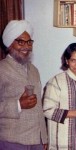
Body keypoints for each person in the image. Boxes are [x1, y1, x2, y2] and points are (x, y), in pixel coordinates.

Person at [0, 20, 47, 150]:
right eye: (20, 42)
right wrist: (18, 105)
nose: (26, 46)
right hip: (12, 141)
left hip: (36, 141)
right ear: (10, 44)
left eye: (29, 42)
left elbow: (39, 107)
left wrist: (44, 137)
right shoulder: (2, 69)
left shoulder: (34, 70)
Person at [43, 42, 76, 150]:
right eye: (73, 60)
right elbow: (47, 110)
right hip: (65, 143)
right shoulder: (56, 81)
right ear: (66, 61)